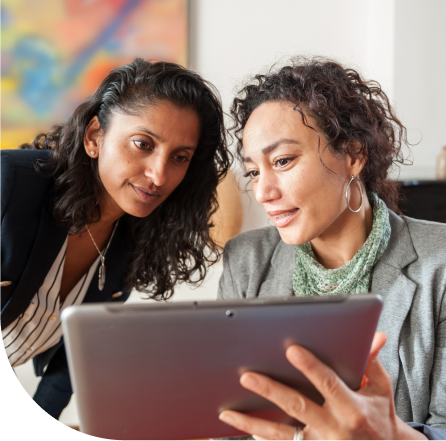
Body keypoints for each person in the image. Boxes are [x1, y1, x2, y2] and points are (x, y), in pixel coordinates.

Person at [216, 57, 446, 440]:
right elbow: (228, 426)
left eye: (283, 160)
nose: (263, 193)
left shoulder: (440, 266)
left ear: (354, 156)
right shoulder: (247, 262)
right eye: (254, 171)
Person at [1, 58, 231, 420]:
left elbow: (75, 353)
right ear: (95, 137)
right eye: (143, 143)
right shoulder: (8, 187)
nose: (159, 175)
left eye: (180, 157)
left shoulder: (134, 240)